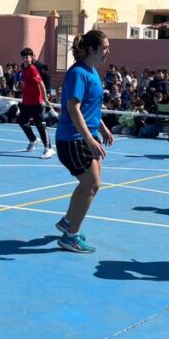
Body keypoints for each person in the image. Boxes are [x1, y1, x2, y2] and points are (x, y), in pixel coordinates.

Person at [53, 30, 114, 254]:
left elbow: (91, 107)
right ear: (91, 49)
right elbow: (73, 107)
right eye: (105, 47)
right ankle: (71, 237)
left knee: (90, 185)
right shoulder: (78, 73)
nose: (108, 51)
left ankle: (69, 222)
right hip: (74, 139)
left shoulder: (93, 71)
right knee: (91, 184)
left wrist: (103, 127)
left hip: (88, 135)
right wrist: (89, 138)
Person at [18, 47, 55, 159]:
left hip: (36, 102)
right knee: (21, 121)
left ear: (32, 57)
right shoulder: (23, 68)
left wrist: (45, 99)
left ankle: (49, 148)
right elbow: (26, 83)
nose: (25, 59)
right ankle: (33, 139)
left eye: (27, 57)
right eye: (23, 57)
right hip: (26, 101)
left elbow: (41, 84)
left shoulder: (33, 69)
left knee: (40, 125)